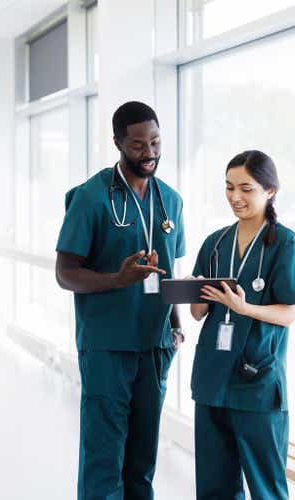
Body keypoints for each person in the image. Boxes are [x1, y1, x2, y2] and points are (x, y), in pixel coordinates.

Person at [55, 101, 186, 500]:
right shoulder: (92, 198)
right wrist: (118, 279)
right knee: (103, 457)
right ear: (118, 143)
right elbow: (65, 273)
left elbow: (169, 271)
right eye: (137, 145)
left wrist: (176, 327)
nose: (149, 153)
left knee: (143, 459)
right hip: (107, 346)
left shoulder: (171, 201)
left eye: (156, 142)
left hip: (155, 344)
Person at [188, 150, 295, 499]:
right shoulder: (215, 243)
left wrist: (245, 308)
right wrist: (194, 292)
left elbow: (289, 313)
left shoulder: (285, 243)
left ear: (269, 191)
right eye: (229, 187)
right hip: (213, 377)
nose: (235, 197)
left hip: (256, 380)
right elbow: (198, 314)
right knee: (214, 486)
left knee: (266, 486)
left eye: (246, 188)